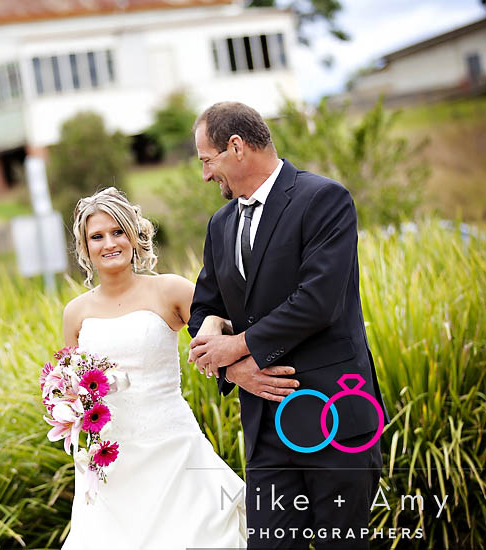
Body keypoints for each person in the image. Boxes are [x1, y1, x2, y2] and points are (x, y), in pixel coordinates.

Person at [187, 101, 388, 549]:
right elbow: (203, 309)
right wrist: (230, 367)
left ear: (236, 147)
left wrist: (238, 345)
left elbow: (317, 303)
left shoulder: (324, 199)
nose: (204, 175)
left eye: (207, 160)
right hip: (266, 431)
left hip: (335, 419)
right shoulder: (220, 225)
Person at [60, 187, 246, 549]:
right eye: (97, 236)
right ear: (84, 247)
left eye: (117, 231)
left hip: (173, 448)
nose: (109, 243)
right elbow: (72, 385)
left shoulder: (169, 290)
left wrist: (212, 326)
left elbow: (225, 327)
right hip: (110, 460)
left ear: (134, 235)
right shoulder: (75, 313)